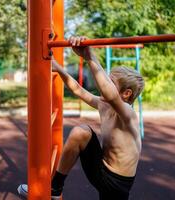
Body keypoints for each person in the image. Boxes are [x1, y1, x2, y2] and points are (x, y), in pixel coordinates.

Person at [18, 36, 145, 200]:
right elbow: (78, 90)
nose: (103, 84)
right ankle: (55, 188)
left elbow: (110, 93)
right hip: (101, 169)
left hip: (117, 183)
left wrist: (89, 56)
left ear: (126, 94)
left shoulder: (128, 113)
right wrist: (58, 68)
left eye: (110, 81)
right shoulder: (104, 104)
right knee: (81, 132)